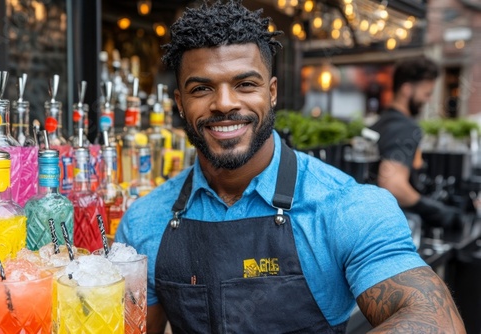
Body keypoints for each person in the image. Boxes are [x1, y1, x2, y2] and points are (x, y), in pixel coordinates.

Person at [116, 1, 465, 333]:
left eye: (245, 84)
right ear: (180, 103)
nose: (223, 103)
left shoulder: (345, 206)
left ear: (272, 93)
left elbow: (437, 322)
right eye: (202, 88)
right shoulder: (145, 220)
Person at [370, 57, 462, 230]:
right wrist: (435, 211)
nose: (427, 100)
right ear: (406, 89)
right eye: (426, 93)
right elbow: (392, 183)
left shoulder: (380, 122)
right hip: (391, 224)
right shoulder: (406, 127)